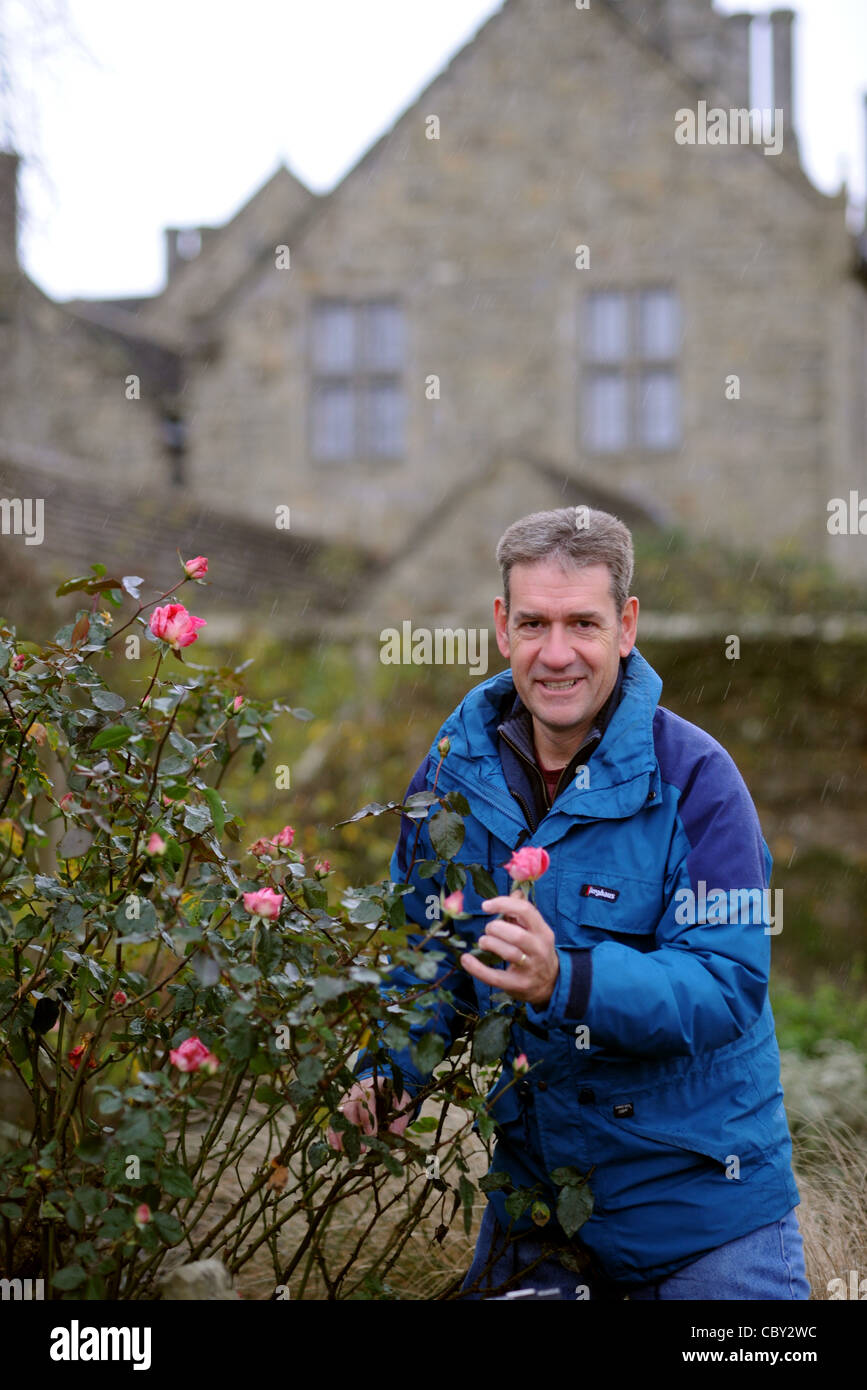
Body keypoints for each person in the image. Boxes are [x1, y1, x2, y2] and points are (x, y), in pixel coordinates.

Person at [328, 506, 810, 1300]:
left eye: (582, 623)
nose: (556, 654)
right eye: (533, 623)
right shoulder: (450, 775)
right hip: (538, 1208)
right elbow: (429, 954)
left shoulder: (700, 781)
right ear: (499, 626)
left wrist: (567, 980)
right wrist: (390, 1074)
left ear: (625, 626)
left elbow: (725, 984)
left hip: (704, 1211)